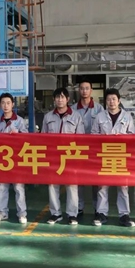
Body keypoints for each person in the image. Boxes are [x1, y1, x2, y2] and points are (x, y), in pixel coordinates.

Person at [91, 88, 135, 227]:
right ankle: (101, 213)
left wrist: (122, 137)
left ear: (119, 100)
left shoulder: (127, 117)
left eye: (114, 99)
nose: (111, 102)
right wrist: (102, 137)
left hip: (121, 156)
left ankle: (124, 215)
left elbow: (133, 136)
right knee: (102, 186)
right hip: (104, 155)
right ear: (105, 101)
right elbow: (93, 135)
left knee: (123, 187)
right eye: (109, 99)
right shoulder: (99, 117)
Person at [42, 87, 84, 226]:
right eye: (57, 97)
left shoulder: (76, 116)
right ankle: (55, 213)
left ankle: (72, 214)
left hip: (70, 156)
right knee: (52, 185)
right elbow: (43, 138)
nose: (60, 100)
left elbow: (81, 138)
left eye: (62, 97)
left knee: (72, 186)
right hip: (53, 157)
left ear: (68, 99)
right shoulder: (48, 117)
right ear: (54, 99)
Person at [0, 92, 29, 224]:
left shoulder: (20, 121)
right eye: (3, 103)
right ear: (0, 105)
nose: (6, 106)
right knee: (2, 186)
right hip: (2, 160)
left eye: (8, 103)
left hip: (16, 159)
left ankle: (22, 213)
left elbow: (27, 138)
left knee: (18, 187)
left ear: (13, 104)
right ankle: (2, 212)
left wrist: (18, 134)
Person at [71, 79, 104, 218]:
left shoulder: (99, 109)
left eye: (87, 88)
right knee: (78, 180)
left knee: (96, 180)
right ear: (79, 90)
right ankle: (79, 207)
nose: (84, 91)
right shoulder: (73, 109)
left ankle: (97, 208)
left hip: (95, 149)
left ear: (91, 90)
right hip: (78, 149)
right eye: (82, 88)